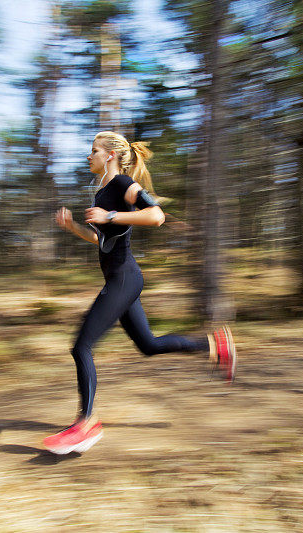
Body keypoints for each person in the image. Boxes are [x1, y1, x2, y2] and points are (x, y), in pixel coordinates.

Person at [43, 131, 236, 455]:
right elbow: (102, 240)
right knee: (148, 345)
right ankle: (213, 345)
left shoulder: (121, 186)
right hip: (123, 279)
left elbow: (156, 215)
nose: (88, 156)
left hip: (123, 279)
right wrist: (75, 227)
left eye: (94, 150)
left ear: (110, 156)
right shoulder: (102, 192)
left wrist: (111, 215)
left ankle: (85, 424)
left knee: (81, 346)